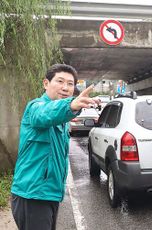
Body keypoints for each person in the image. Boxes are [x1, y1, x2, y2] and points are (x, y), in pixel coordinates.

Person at [10, 64, 99, 230]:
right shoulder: (35, 107)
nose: (65, 88)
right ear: (46, 83)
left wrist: (71, 108)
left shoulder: (63, 120)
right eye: (60, 81)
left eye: (70, 84)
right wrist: (71, 105)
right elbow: (45, 114)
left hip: (50, 194)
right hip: (33, 196)